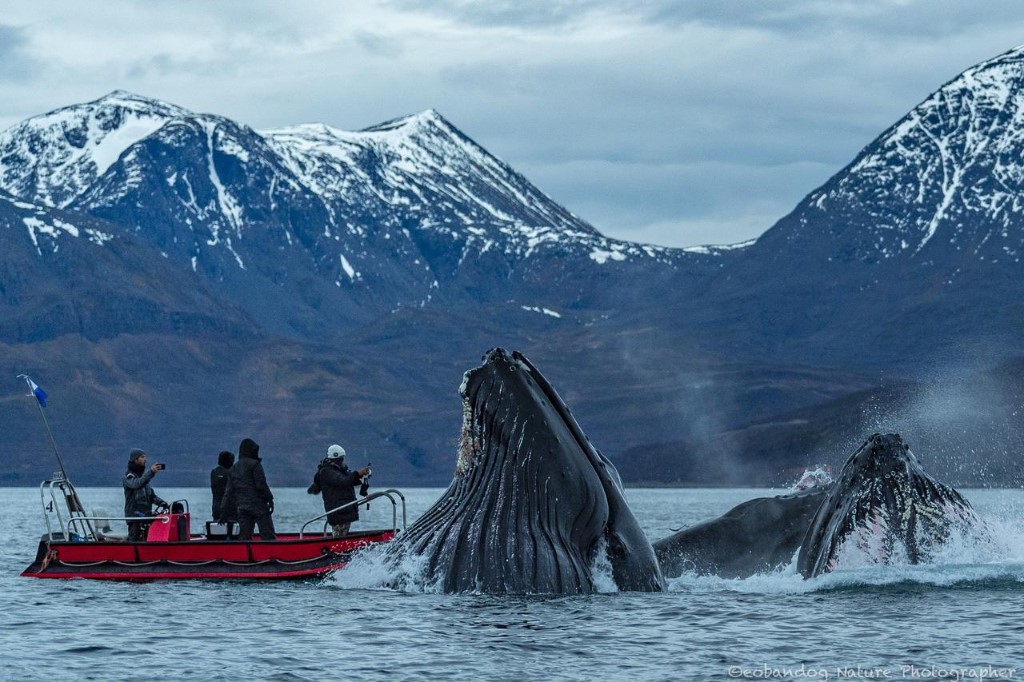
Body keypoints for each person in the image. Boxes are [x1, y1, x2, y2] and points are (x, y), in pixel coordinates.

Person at [307, 444, 370, 537]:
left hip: (344, 510)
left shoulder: (339, 470)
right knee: (338, 537)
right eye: (341, 458)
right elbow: (343, 482)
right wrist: (357, 473)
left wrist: (361, 477)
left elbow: (349, 480)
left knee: (341, 535)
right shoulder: (326, 471)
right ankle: (334, 549)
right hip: (338, 512)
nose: (342, 461)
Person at [221, 437, 276, 541]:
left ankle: (245, 556)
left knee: (244, 537)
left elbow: (228, 493)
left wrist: (223, 511)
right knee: (268, 536)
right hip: (259, 506)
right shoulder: (255, 465)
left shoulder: (233, 468)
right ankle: (270, 555)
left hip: (242, 508)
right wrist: (270, 499)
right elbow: (261, 486)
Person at [122, 448, 168, 542]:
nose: (145, 459)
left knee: (148, 539)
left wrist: (163, 503)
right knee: (134, 540)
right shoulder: (128, 477)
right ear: (135, 459)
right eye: (142, 457)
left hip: (146, 517)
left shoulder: (144, 478)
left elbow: (152, 496)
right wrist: (151, 472)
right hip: (134, 518)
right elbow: (137, 484)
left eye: (145, 457)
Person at [210, 450, 237, 522]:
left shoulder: (214, 472)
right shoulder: (230, 474)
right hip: (230, 509)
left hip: (216, 508)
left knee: (218, 530)